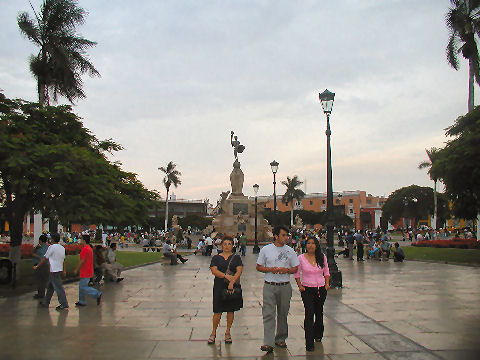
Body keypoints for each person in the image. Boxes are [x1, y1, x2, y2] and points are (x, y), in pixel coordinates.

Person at [256, 226, 300, 353]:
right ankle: (268, 342)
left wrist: (286, 270)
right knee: (268, 314)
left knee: (283, 313)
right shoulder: (266, 250)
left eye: (287, 235)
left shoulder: (290, 251)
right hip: (269, 285)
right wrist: (270, 269)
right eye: (284, 235)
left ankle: (280, 338)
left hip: (285, 286)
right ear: (276, 236)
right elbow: (259, 267)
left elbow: (295, 268)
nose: (286, 238)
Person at [295, 236, 330, 351]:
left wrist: (327, 284)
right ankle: (309, 342)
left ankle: (318, 334)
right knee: (309, 313)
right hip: (307, 289)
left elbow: (326, 271)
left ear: (316, 245)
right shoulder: (301, 258)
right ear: (306, 245)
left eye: (313, 243)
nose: (310, 245)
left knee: (319, 312)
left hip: (320, 288)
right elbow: (297, 273)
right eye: (309, 243)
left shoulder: (322, 257)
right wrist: (300, 286)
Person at [208, 237, 243, 345]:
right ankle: (213, 332)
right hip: (219, 285)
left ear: (233, 246)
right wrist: (226, 276)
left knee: (230, 310)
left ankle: (227, 332)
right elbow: (214, 270)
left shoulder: (236, 258)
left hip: (232, 285)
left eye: (229, 244)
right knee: (217, 310)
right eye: (225, 244)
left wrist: (232, 282)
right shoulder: (216, 258)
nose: (227, 246)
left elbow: (239, 270)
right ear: (221, 245)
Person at [34, 233, 69, 311]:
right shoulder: (62, 248)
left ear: (52, 239)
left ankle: (64, 304)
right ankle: (46, 303)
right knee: (50, 287)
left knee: (59, 287)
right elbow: (63, 260)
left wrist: (37, 265)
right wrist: (64, 270)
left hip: (54, 270)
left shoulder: (51, 247)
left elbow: (45, 258)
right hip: (58, 269)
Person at [74, 235, 102, 307]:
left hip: (85, 271)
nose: (80, 240)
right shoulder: (89, 248)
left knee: (83, 287)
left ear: (84, 240)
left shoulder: (85, 249)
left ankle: (97, 294)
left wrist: (77, 269)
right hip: (89, 270)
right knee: (81, 286)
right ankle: (82, 301)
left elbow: (82, 261)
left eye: (81, 239)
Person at [32, 234, 49, 299]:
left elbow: (42, 257)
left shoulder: (43, 248)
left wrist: (34, 255)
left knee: (40, 280)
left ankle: (41, 294)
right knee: (42, 280)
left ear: (40, 240)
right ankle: (40, 293)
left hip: (41, 265)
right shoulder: (44, 247)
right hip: (43, 265)